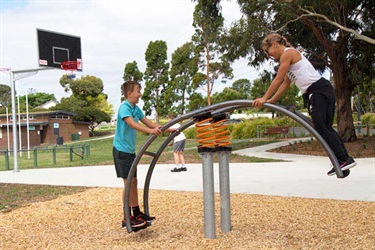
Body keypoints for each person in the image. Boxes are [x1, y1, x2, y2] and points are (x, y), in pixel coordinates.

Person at [252, 33, 356, 177]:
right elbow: (285, 84)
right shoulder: (288, 59)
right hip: (317, 91)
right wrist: (271, 100)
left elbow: (278, 79)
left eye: (267, 50)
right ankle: (342, 161)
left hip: (318, 90)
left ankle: (343, 159)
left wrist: (264, 97)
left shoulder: (288, 54)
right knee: (324, 128)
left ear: (274, 44)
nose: (268, 55)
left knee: (321, 128)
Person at [113, 80, 175, 231]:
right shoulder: (124, 108)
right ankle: (126, 217)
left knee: (134, 182)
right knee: (128, 183)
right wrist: (150, 132)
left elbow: (150, 123)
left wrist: (169, 129)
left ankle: (136, 213)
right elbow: (132, 124)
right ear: (129, 94)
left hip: (129, 151)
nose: (140, 94)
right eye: (138, 91)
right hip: (121, 151)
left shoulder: (136, 109)